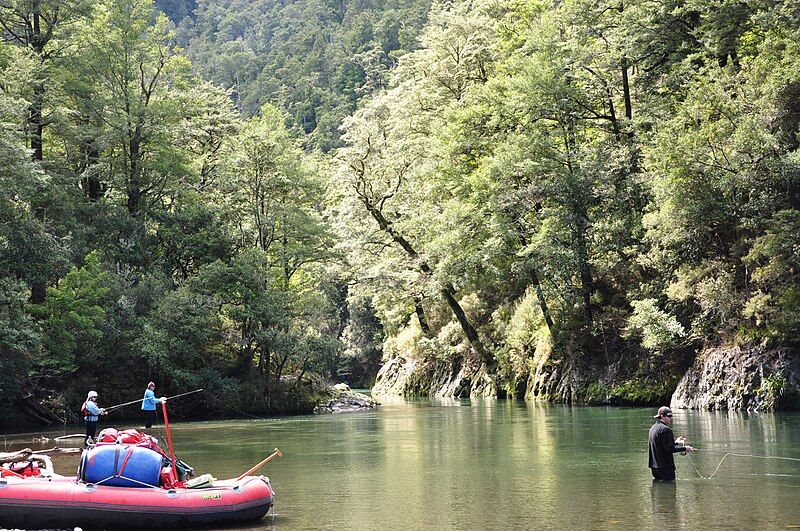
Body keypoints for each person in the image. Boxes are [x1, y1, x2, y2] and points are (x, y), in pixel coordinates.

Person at [648, 406, 695, 481]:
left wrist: (676, 442)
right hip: (666, 468)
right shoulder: (666, 430)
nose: (671, 418)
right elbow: (669, 449)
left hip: (654, 468)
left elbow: (661, 445)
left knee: (658, 490)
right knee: (669, 489)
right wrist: (685, 448)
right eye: (669, 416)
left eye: (671, 416)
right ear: (662, 416)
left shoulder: (653, 428)